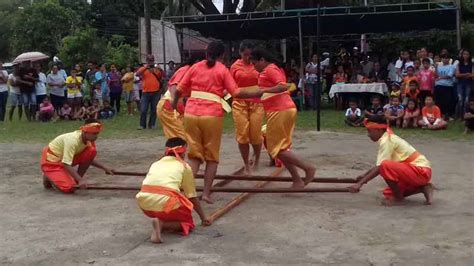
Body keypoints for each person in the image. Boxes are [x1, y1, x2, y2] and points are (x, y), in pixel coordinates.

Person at [172, 41, 263, 204]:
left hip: (191, 113)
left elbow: (178, 89)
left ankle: (186, 193)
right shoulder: (222, 69)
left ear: (207, 53)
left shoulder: (195, 67)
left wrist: (174, 104)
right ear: (223, 56)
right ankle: (206, 194)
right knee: (211, 157)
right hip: (211, 115)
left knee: (194, 156)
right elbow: (235, 92)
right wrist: (261, 91)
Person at [250, 47, 316, 190]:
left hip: (280, 110)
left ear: (262, 60)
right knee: (281, 148)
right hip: (282, 109)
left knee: (277, 149)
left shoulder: (270, 69)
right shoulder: (268, 71)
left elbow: (283, 86)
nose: (253, 66)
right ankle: (297, 179)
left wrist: (263, 91)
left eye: (254, 63)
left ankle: (308, 167)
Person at [136, 137, 211, 244]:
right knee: (187, 222)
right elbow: (191, 196)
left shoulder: (156, 163)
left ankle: (160, 222)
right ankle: (162, 224)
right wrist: (203, 217)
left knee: (167, 203)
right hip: (166, 201)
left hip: (144, 202)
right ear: (184, 151)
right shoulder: (184, 166)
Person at [348, 115, 434, 206]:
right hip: (416, 171)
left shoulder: (386, 141)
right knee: (388, 193)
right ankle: (423, 188)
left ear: (379, 130)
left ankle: (398, 198)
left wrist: (360, 184)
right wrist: (364, 176)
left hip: (420, 172)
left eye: (369, 131)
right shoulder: (387, 137)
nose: (368, 135)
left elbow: (380, 167)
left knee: (385, 166)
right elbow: (379, 165)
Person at [40, 119, 114, 193]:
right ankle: (48, 176)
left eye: (97, 133)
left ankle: (75, 180)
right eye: (94, 134)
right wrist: (81, 180)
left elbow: (88, 159)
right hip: (51, 160)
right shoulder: (72, 140)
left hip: (64, 159)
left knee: (91, 151)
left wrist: (105, 168)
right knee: (69, 188)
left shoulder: (88, 140)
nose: (96, 136)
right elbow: (66, 163)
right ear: (85, 132)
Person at [230, 41, 265, 174]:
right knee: (242, 134)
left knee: (255, 134)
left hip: (256, 102)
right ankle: (246, 163)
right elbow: (230, 84)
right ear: (240, 53)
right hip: (239, 102)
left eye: (250, 55)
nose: (248, 58)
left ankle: (256, 159)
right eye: (245, 55)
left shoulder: (258, 65)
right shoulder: (234, 67)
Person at [157, 55, 200, 140]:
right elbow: (174, 85)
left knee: (187, 135)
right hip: (168, 106)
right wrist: (174, 103)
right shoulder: (186, 70)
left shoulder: (195, 73)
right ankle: (174, 151)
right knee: (180, 137)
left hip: (178, 107)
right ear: (196, 62)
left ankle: (175, 151)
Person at [136, 55, 164, 130]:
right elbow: (137, 74)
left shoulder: (157, 69)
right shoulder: (143, 68)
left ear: (153, 60)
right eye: (149, 60)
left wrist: (160, 69)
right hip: (145, 92)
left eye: (151, 60)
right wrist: (146, 67)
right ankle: (142, 125)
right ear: (147, 60)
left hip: (156, 92)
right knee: (143, 109)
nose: (150, 62)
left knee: (154, 109)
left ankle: (152, 124)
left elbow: (162, 77)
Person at [434, 54, 456, 120]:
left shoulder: (452, 66)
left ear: (449, 59)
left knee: (448, 101)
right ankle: (440, 115)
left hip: (448, 86)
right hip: (439, 85)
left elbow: (450, 75)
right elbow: (436, 75)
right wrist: (435, 68)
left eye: (446, 58)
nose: (445, 59)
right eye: (443, 58)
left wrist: (440, 77)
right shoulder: (439, 66)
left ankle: (448, 115)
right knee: (439, 101)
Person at [455, 49, 473, 119]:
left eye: (467, 54)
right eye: (464, 54)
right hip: (460, 84)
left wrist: (462, 75)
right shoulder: (459, 64)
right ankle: (460, 116)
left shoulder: (472, 64)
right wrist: (466, 74)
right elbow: (457, 75)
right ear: (462, 55)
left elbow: (473, 75)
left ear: (469, 55)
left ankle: (466, 116)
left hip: (468, 84)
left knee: (466, 100)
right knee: (460, 100)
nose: (465, 55)